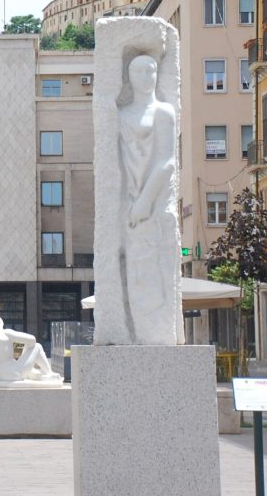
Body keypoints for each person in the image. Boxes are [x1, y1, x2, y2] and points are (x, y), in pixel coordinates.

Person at [117, 53, 179, 344]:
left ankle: (156, 335)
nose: (146, 76)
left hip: (149, 206)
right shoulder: (120, 114)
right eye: (139, 71)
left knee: (152, 270)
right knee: (137, 272)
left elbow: (167, 161)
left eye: (151, 70)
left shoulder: (164, 112)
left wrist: (145, 201)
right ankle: (141, 334)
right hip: (128, 206)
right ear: (129, 76)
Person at [0, 313, 61, 384]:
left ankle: (35, 373)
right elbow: (32, 340)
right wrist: (22, 345)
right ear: (0, 322)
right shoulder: (6, 333)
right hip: (11, 373)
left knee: (21, 348)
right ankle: (49, 373)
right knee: (37, 346)